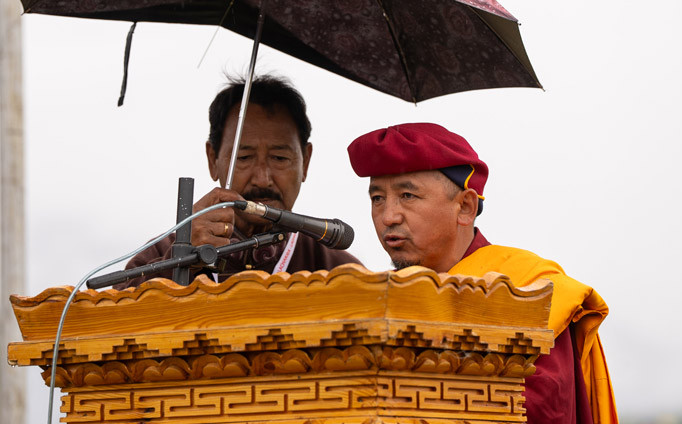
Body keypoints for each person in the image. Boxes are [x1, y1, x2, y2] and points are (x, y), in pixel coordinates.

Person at [347, 123, 617, 424]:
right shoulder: (384, 299)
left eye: (408, 195)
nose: (388, 217)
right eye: (377, 198)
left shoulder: (528, 289)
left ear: (465, 206)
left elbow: (542, 409)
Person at [116, 75, 359, 289]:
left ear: (305, 162)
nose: (262, 178)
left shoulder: (338, 270)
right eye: (243, 157)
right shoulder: (165, 252)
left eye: (279, 157)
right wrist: (180, 261)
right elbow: (112, 321)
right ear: (213, 159)